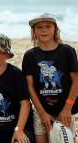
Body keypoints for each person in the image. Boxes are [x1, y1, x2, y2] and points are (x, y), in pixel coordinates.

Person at [22, 13, 78, 143]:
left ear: (55, 29)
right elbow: (30, 86)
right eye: (39, 27)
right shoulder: (30, 56)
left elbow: (76, 81)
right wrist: (41, 113)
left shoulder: (67, 51)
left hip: (64, 108)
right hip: (41, 110)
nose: (44, 30)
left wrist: (67, 108)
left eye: (48, 26)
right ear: (34, 31)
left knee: (65, 140)